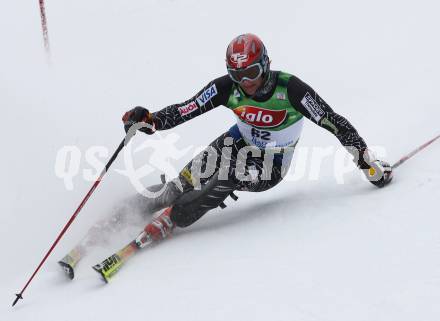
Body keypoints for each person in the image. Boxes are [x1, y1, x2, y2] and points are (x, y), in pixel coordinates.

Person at [59, 33, 392, 279]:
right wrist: (149, 121)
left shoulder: (290, 88)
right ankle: (118, 218)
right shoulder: (225, 88)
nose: (246, 83)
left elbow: (333, 121)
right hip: (233, 143)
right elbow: (187, 108)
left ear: (266, 65)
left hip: (270, 164)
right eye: (238, 76)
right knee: (177, 185)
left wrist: (364, 160)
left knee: (226, 176)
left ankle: (173, 218)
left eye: (252, 73)